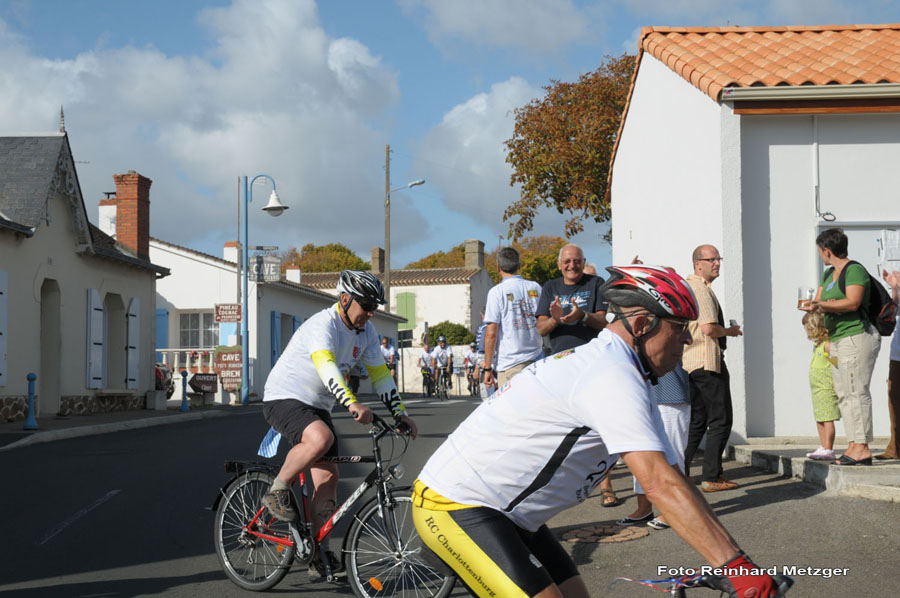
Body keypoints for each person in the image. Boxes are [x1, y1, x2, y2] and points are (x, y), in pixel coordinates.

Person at [412, 265, 784, 598]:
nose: (688, 341)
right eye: (679, 329)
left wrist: (737, 563)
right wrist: (737, 569)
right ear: (641, 326)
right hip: (458, 505)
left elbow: (675, 481)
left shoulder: (629, 373)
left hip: (513, 515)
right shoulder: (609, 375)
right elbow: (658, 484)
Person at [260, 270, 418, 568]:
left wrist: (400, 413)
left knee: (329, 480)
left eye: (375, 307)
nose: (371, 313)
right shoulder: (323, 325)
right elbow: (327, 367)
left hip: (318, 405)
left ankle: (319, 551)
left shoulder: (367, 332)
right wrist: (352, 403)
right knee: (321, 438)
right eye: (366, 306)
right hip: (284, 396)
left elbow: (381, 375)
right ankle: (277, 489)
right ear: (345, 299)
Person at [801, 228, 880, 466]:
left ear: (827, 250)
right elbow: (820, 301)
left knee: (856, 391)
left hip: (855, 337)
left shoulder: (853, 270)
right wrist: (818, 305)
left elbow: (853, 302)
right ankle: (854, 444)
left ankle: (862, 447)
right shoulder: (828, 275)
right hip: (836, 338)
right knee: (844, 393)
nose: (820, 255)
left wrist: (825, 304)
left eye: (820, 251)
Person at [682, 244, 743, 492]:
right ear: (698, 264)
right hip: (708, 362)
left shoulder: (689, 286)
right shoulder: (701, 288)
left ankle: (681, 472)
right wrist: (730, 331)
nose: (717, 263)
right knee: (721, 419)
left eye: (719, 259)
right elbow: (708, 328)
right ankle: (712, 477)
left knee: (697, 421)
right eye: (712, 259)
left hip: (691, 363)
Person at [617, 361, 691, 529]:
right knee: (640, 454)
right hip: (638, 396)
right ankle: (644, 509)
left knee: (673, 455)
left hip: (670, 395)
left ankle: (676, 511)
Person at [482, 247, 543, 389]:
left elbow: (491, 334)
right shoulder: (535, 287)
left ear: (498, 267)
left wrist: (488, 368)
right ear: (519, 266)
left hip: (511, 363)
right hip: (538, 359)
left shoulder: (497, 292)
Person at [536, 244, 608, 354]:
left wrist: (583, 316)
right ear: (559, 264)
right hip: (561, 358)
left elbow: (605, 323)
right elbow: (540, 329)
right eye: (567, 261)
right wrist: (555, 320)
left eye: (577, 261)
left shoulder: (596, 283)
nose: (572, 265)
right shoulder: (550, 287)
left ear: (583, 262)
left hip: (592, 356)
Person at [801, 311, 841, 461]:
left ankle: (829, 448)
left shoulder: (827, 345)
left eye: (808, 328)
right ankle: (823, 446)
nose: (806, 332)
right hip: (817, 389)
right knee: (820, 417)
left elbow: (837, 364)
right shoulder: (817, 344)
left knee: (827, 418)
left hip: (826, 387)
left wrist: (838, 383)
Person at [876, 269, 900, 460]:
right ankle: (895, 447)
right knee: (894, 397)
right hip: (897, 351)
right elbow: (894, 308)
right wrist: (894, 289)